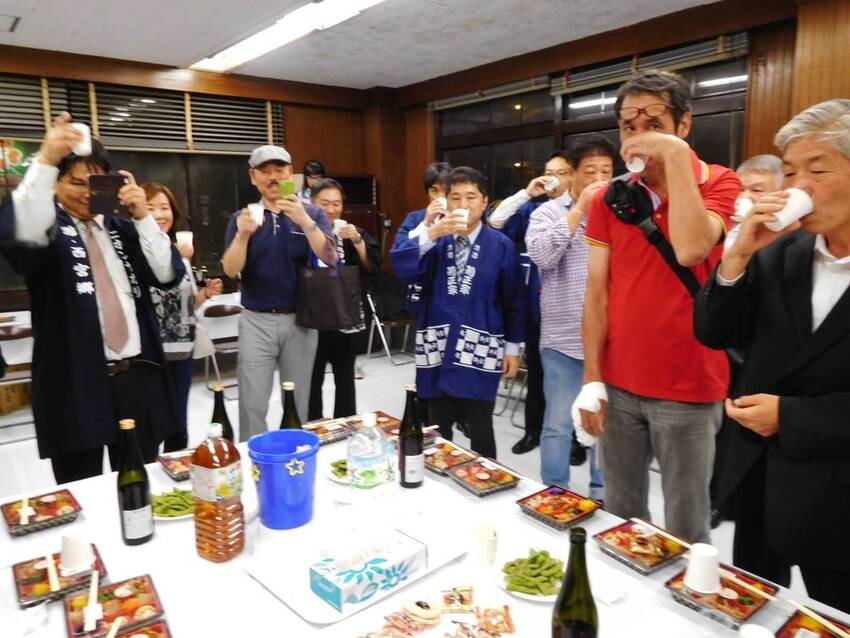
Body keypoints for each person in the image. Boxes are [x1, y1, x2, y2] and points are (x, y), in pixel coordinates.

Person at [695, 99, 850, 612]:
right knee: (749, 608)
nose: (798, 185)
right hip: (761, 479)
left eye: (817, 169)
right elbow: (714, 332)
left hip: (837, 496)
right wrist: (738, 253)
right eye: (789, 171)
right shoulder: (784, 251)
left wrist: (791, 416)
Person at [577, 70, 740, 543]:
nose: (638, 137)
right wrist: (592, 377)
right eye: (629, 126)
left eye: (653, 123)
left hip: (690, 385)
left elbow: (690, 249)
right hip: (620, 380)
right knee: (621, 514)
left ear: (684, 125)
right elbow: (597, 291)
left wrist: (673, 157)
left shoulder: (720, 183)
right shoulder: (611, 199)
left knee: (687, 522)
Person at [0, 113, 185, 483]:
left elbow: (166, 274)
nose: (87, 192)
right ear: (55, 184)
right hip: (74, 382)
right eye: (75, 182)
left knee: (139, 480)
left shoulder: (121, 228)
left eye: (95, 183)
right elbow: (20, 236)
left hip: (135, 376)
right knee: (81, 484)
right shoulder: (47, 228)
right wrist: (45, 161)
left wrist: (144, 217)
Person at [391, 167, 525, 458]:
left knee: (481, 429)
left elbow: (514, 300)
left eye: (471, 197)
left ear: (485, 201)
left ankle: (486, 485)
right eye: (455, 198)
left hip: (480, 348)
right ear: (446, 202)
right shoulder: (434, 240)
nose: (463, 206)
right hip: (437, 348)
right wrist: (433, 232)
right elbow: (401, 265)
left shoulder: (501, 245)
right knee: (437, 430)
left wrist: (513, 348)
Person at [222, 145, 336, 440]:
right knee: (252, 401)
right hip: (256, 320)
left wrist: (306, 222)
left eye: (280, 170)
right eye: (265, 171)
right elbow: (231, 269)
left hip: (301, 320)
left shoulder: (311, 213)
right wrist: (243, 234)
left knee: (296, 400)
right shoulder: (242, 217)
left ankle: (293, 457)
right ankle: (254, 462)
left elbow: (331, 257)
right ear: (253, 177)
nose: (273, 177)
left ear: (291, 173)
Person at [526, 135, 614, 499]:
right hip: (562, 339)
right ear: (573, 175)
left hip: (612, 341)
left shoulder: (619, 211)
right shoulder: (546, 213)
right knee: (558, 426)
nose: (598, 178)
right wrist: (577, 212)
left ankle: (601, 494)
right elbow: (542, 257)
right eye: (589, 171)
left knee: (603, 426)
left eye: (606, 171)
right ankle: (554, 494)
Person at [488, 151, 572, 455]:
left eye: (561, 172)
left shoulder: (584, 210)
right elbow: (495, 221)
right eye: (549, 171)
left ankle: (575, 442)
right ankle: (533, 432)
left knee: (573, 378)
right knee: (537, 375)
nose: (553, 177)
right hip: (539, 309)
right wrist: (527, 192)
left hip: (573, 309)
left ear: (573, 176)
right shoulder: (533, 210)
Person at [143, 182, 223, 451]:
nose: (158, 214)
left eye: (164, 208)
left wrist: (206, 294)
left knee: (179, 422)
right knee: (152, 423)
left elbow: (185, 305)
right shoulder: (136, 250)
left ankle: (176, 476)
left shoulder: (181, 253)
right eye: (150, 207)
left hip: (182, 351)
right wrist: (177, 256)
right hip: (152, 354)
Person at [307, 179, 381, 420]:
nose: (330, 209)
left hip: (343, 316)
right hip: (311, 320)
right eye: (324, 203)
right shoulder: (302, 231)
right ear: (312, 203)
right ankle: (313, 427)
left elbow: (372, 267)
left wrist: (358, 240)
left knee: (345, 379)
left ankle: (346, 426)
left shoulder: (351, 232)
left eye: (336, 203)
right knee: (311, 380)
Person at [725, 154, 784, 250]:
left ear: (779, 194)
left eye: (757, 190)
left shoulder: (785, 240)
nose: (744, 196)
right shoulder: (722, 227)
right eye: (740, 189)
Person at [391, 162, 452, 252]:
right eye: (434, 191)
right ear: (427, 193)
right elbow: (400, 250)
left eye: (446, 190)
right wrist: (425, 222)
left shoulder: (458, 217)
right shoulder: (414, 218)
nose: (441, 196)